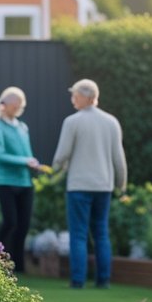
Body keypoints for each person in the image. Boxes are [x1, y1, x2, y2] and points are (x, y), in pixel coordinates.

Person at [51, 78, 127, 289]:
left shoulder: (72, 122)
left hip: (78, 186)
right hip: (104, 186)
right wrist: (122, 185)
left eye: (75, 95)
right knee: (101, 233)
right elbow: (118, 158)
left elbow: (62, 155)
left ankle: (78, 281)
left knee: (78, 234)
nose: (73, 99)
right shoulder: (111, 122)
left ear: (87, 97)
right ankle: (103, 280)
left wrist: (52, 171)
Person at [0, 86, 43, 275]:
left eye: (21, 106)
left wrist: (32, 163)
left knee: (23, 225)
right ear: (5, 105)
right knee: (10, 222)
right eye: (15, 106)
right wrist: (24, 161)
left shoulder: (22, 127)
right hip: (5, 181)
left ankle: (18, 267)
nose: (18, 109)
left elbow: (26, 153)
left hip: (24, 182)